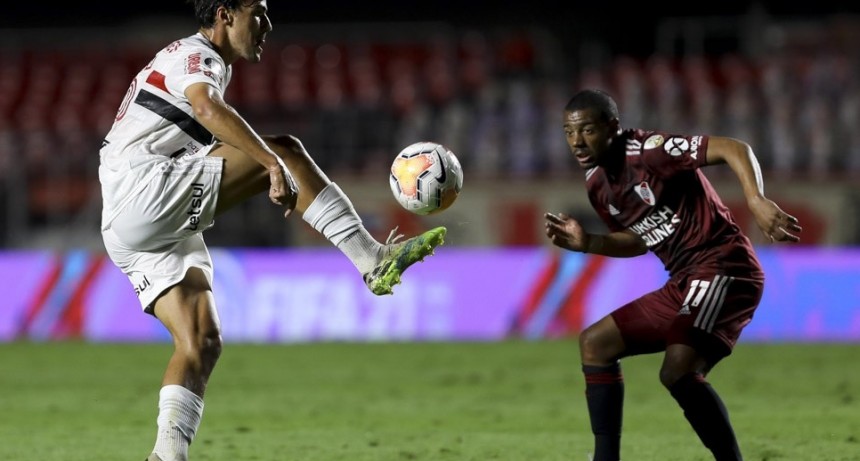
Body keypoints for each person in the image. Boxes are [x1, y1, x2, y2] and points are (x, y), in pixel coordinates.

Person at [97, 1, 446, 460]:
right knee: (285, 151)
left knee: (200, 341)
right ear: (224, 14)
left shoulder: (198, 60)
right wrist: (268, 164)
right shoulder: (195, 55)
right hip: (143, 190)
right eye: (257, 13)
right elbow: (204, 106)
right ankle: (372, 259)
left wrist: (263, 165)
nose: (267, 25)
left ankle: (166, 456)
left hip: (130, 223)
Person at [544, 89, 802, 461]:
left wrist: (756, 199)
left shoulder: (651, 150)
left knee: (677, 370)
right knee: (595, 344)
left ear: (612, 127)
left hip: (724, 266)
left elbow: (734, 147)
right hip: (684, 281)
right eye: (569, 132)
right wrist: (588, 242)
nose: (576, 141)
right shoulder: (598, 186)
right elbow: (639, 239)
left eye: (586, 130)